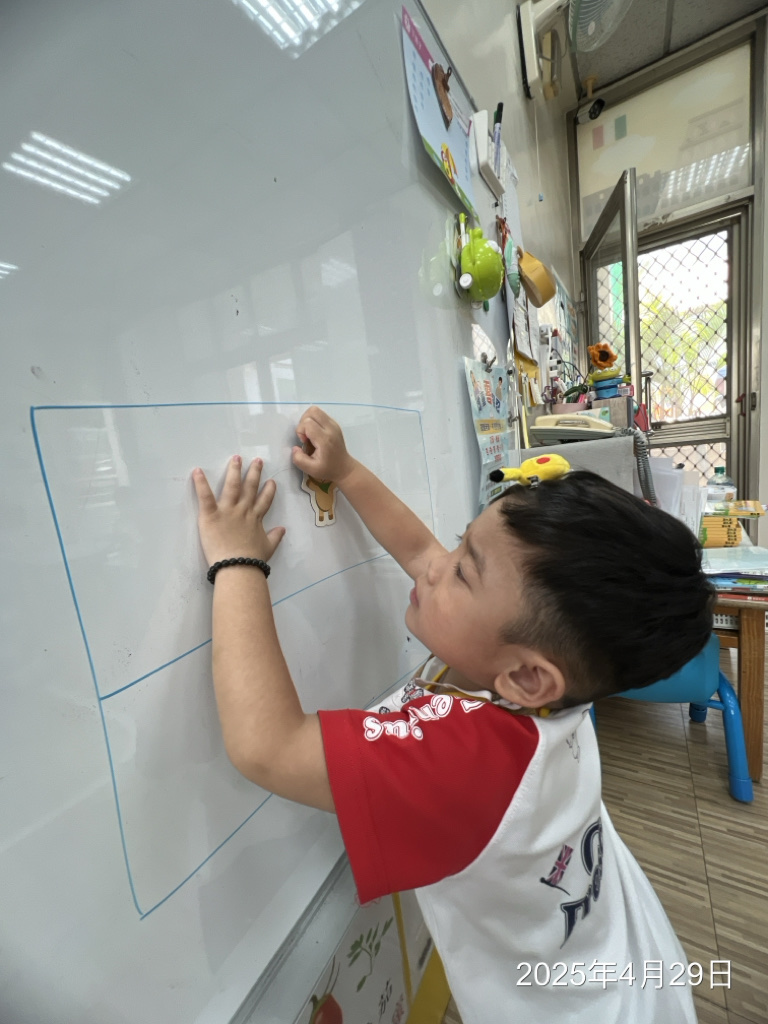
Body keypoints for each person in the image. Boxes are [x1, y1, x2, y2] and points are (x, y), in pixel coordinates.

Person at [192, 406, 714, 1024]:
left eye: (463, 570)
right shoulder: (548, 687)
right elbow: (422, 554)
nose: (438, 564)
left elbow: (268, 746)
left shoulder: (470, 767)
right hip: (625, 955)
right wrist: (347, 471)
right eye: (463, 541)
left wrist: (237, 561)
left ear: (527, 677)